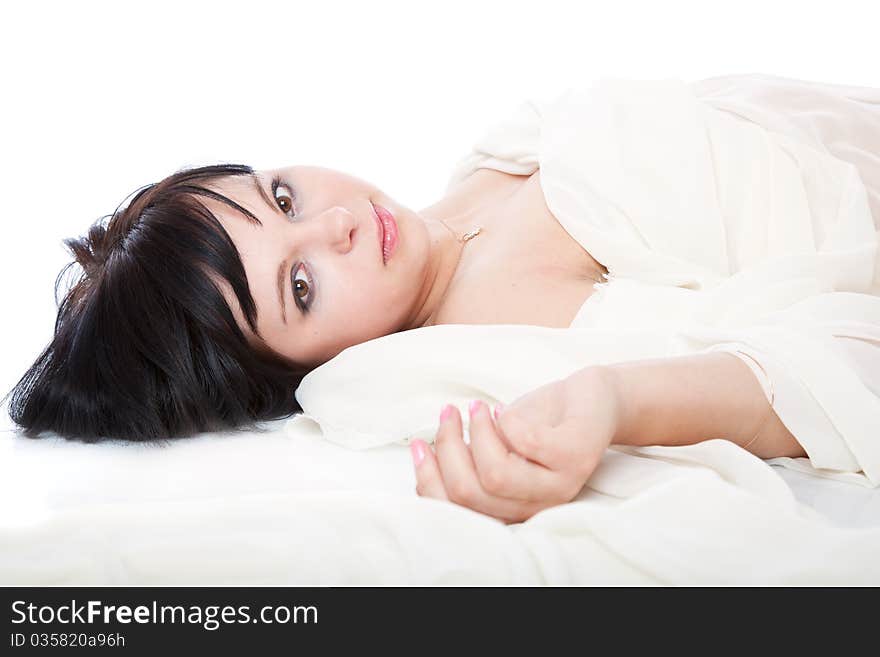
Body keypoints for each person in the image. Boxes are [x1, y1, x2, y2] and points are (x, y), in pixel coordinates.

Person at [5, 75, 879, 525]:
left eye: (280, 197)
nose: (339, 222)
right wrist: (618, 402)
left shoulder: (478, 168)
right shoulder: (500, 328)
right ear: (301, 366)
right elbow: (819, 371)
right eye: (300, 288)